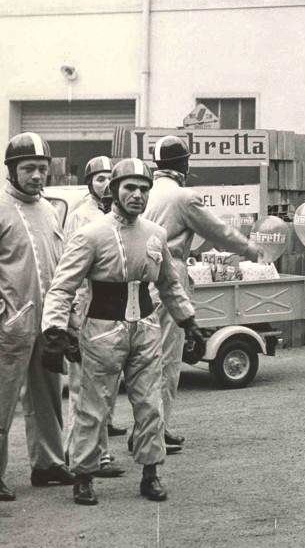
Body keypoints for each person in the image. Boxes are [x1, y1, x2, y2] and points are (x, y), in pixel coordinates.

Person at [41, 158, 206, 505]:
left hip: (145, 330)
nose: (138, 195)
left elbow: (170, 285)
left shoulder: (155, 235)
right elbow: (62, 286)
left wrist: (188, 321)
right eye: (130, 187)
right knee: (92, 406)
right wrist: (56, 328)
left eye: (144, 188)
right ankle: (83, 475)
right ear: (114, 191)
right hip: (101, 331)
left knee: (150, 403)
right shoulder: (90, 235)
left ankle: (151, 472)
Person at [142, 136, 259, 452]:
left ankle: (144, 428)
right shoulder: (183, 197)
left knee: (144, 357)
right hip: (170, 273)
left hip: (143, 277)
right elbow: (217, 231)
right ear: (183, 164)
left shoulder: (146, 193)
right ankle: (157, 430)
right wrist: (248, 248)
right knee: (167, 357)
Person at [0, 133, 76, 501]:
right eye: (28, 168)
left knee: (48, 393)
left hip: (48, 320)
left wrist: (65, 315)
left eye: (42, 169)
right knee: (2, 399)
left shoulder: (48, 209)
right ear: (11, 170)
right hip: (9, 321)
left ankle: (48, 464)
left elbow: (59, 264)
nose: (36, 176)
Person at [63, 155, 125, 479]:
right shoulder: (80, 217)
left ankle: (81, 450)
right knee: (83, 388)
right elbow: (69, 267)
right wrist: (71, 316)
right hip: (82, 305)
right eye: (98, 178)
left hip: (107, 308)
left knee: (101, 386)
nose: (104, 184)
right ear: (89, 183)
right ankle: (91, 456)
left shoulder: (115, 216)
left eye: (108, 178)